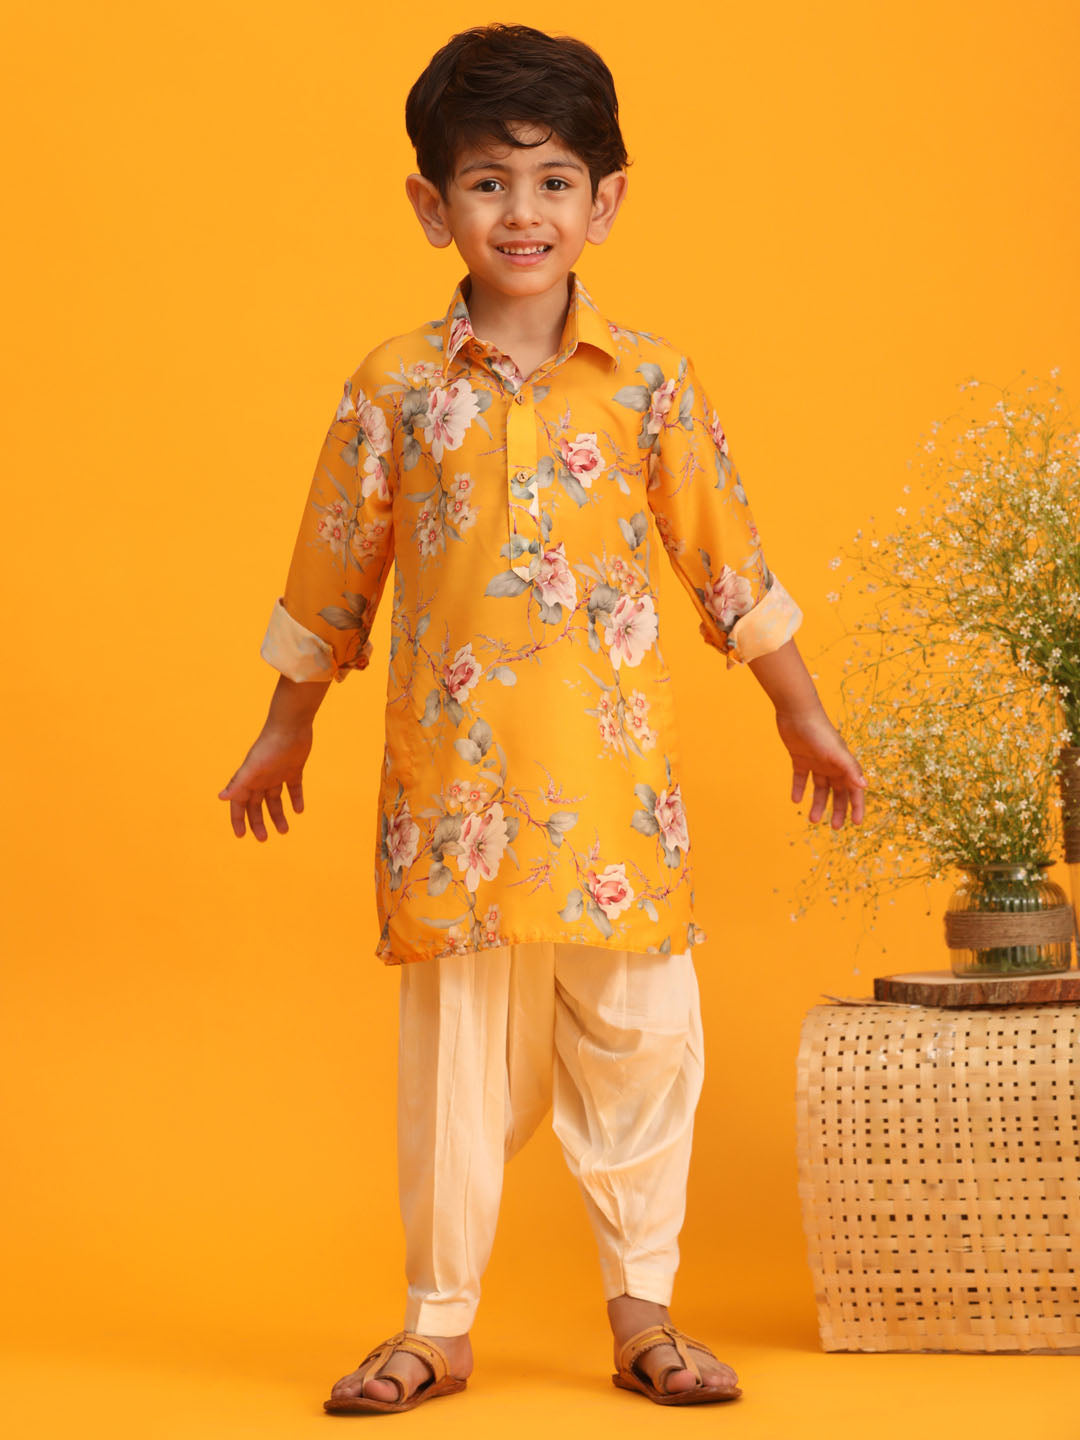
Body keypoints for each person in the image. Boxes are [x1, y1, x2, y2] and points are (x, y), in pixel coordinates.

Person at [218, 21, 866, 1415]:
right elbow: (332, 570)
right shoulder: (395, 386)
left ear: (606, 200)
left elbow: (727, 559)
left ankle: (645, 1316)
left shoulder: (651, 381)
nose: (523, 213)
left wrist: (801, 715)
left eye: (555, 181)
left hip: (617, 804)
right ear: (430, 204)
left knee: (645, 1047)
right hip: (454, 804)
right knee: (454, 1072)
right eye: (488, 182)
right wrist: (287, 726)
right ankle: (437, 1326)